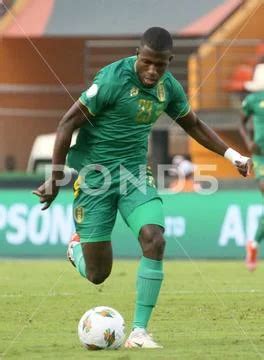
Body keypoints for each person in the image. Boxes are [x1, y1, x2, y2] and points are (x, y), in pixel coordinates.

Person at [33, 27, 252, 348]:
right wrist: (54, 177)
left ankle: (138, 332)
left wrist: (233, 155)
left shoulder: (168, 88)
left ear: (169, 62)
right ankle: (75, 249)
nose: (152, 71)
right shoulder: (112, 80)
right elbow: (67, 123)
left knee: (154, 239)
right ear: (138, 55)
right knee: (97, 274)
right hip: (95, 179)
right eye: (146, 62)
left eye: (160, 65)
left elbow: (192, 123)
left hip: (135, 176)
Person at [240, 63, 264, 271]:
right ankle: (254, 244)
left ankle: (254, 244)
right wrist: (248, 142)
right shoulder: (253, 100)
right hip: (261, 157)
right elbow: (241, 122)